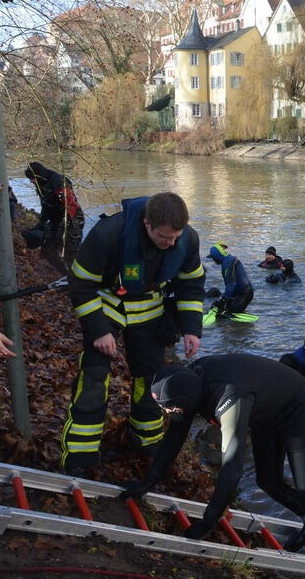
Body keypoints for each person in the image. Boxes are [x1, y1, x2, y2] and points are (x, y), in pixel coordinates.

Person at [119, 354, 305, 560]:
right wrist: (147, 483)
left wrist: (208, 521)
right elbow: (174, 438)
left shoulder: (229, 398)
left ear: (184, 402)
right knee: (267, 481)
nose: (169, 414)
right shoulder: (186, 383)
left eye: (170, 409)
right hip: (264, 408)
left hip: (296, 405)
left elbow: (232, 467)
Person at [63, 192, 205, 474]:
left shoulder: (187, 239)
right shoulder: (108, 234)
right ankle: (80, 453)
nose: (171, 243)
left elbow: (191, 285)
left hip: (150, 310)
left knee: (150, 378)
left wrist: (191, 329)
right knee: (94, 375)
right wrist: (100, 330)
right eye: (165, 237)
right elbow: (80, 284)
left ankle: (146, 440)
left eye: (176, 237)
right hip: (107, 304)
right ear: (147, 224)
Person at [22, 161, 85, 275]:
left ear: (38, 176)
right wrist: (41, 223)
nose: (31, 181)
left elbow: (71, 207)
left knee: (70, 251)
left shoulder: (58, 182)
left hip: (72, 218)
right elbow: (46, 205)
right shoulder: (41, 183)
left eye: (32, 179)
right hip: (55, 219)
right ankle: (65, 274)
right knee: (48, 250)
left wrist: (62, 229)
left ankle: (78, 278)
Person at [206, 243, 254, 314]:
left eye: (213, 257)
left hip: (244, 294)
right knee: (223, 308)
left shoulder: (228, 262)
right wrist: (222, 301)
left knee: (226, 313)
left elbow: (231, 285)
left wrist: (223, 301)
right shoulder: (227, 260)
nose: (213, 260)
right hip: (238, 293)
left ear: (217, 256)